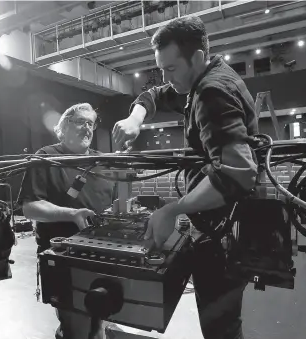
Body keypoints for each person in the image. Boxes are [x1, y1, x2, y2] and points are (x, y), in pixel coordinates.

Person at [112, 16, 258, 339]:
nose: (166, 77)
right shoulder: (195, 80)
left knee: (221, 331)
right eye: (161, 69)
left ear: (198, 57)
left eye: (171, 69)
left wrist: (172, 210)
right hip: (218, 230)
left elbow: (236, 174)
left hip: (223, 239)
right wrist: (135, 119)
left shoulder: (212, 91)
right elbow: (156, 95)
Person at [18, 103, 114, 339]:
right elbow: (30, 207)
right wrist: (71, 214)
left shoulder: (103, 161)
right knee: (76, 325)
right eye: (80, 122)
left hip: (103, 253)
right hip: (63, 255)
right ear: (63, 127)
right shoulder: (46, 157)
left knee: (100, 318)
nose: (87, 128)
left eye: (90, 123)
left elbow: (116, 202)